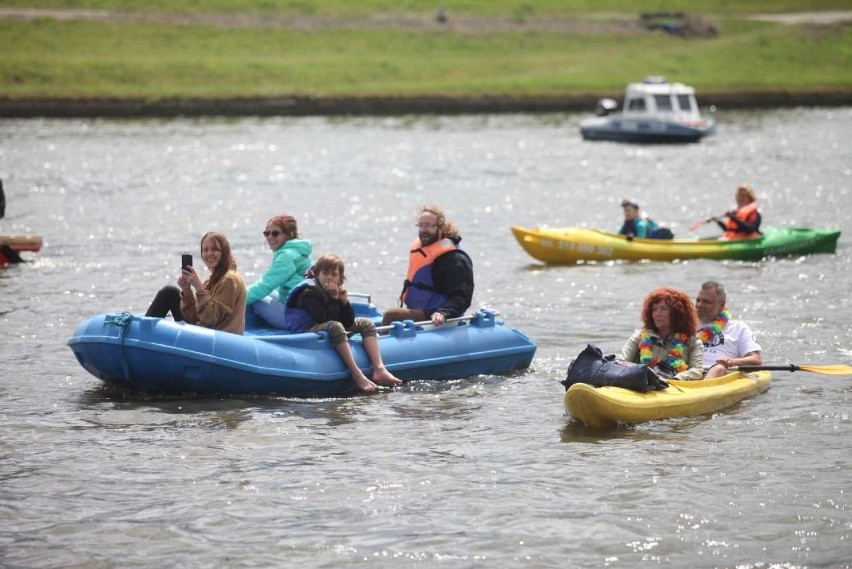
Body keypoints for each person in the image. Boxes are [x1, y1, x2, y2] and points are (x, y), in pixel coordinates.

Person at [286, 253, 402, 393]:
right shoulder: (308, 293)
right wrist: (334, 298)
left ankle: (379, 368)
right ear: (317, 275)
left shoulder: (335, 291)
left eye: (334, 274)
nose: (329, 278)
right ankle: (356, 373)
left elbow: (347, 322)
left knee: (365, 323)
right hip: (308, 329)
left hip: (327, 324)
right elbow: (327, 319)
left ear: (340, 280)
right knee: (335, 326)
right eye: (325, 273)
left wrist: (344, 302)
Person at [381, 204, 474, 327]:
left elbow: (462, 296)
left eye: (429, 225)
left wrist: (444, 313)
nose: (424, 230)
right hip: (421, 310)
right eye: (421, 225)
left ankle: (381, 345)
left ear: (441, 228)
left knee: (390, 314)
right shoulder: (424, 248)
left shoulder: (454, 258)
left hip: (437, 316)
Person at [145, 231, 247, 334]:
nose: (209, 253)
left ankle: (142, 333)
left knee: (168, 292)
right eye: (205, 250)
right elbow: (195, 318)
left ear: (224, 252)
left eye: (214, 249)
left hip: (219, 339)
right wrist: (187, 290)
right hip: (206, 332)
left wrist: (199, 287)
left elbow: (211, 318)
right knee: (171, 293)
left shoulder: (230, 279)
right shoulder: (212, 279)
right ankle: (142, 334)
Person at [620, 287, 705, 381]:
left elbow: (697, 370)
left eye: (663, 309)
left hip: (676, 388)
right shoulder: (639, 337)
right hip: (642, 386)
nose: (657, 314)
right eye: (654, 309)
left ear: (677, 313)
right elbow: (622, 361)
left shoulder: (693, 342)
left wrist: (675, 379)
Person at [246, 214, 313, 328]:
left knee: (256, 297)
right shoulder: (297, 250)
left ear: (289, 235)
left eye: (275, 233)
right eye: (267, 233)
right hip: (305, 310)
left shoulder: (285, 256)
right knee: (260, 292)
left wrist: (232, 299)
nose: (270, 237)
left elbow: (264, 286)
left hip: (298, 319)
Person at [696, 281, 762, 379]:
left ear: (722, 305)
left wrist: (731, 362)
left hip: (721, 374)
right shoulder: (687, 325)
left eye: (706, 302)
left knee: (718, 368)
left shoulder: (738, 327)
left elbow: (756, 360)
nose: (700, 305)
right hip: (688, 371)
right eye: (698, 300)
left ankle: (702, 390)